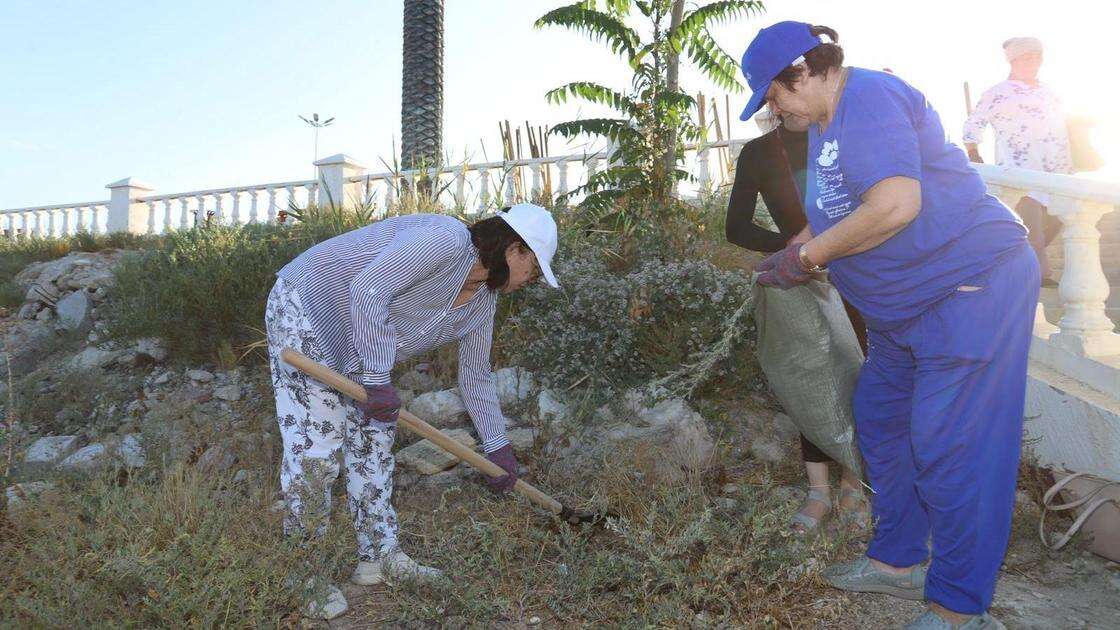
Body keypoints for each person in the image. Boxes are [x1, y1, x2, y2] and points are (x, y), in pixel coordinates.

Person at [740, 21, 1039, 630]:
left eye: (773, 95)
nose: (773, 110)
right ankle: (899, 562)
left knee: (952, 447)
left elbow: (897, 204)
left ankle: (958, 607)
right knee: (880, 419)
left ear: (803, 71)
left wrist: (807, 259)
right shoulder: (825, 125)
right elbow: (842, 213)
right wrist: (793, 252)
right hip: (905, 312)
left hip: (968, 288)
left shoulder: (868, 97)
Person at [266, 204, 560, 619]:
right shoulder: (445, 239)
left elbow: (475, 376)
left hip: (357, 350)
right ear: (516, 250)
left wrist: (498, 448)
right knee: (317, 448)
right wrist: (377, 377)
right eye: (534, 269)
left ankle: (380, 557)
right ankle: (303, 572)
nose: (530, 281)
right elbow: (368, 290)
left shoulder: (480, 306)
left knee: (374, 445)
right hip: (307, 311)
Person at [725, 105, 870, 534]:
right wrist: (791, 248)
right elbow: (735, 228)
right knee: (810, 376)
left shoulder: (843, 134)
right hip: (805, 277)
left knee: (860, 373)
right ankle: (818, 490)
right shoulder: (758, 153)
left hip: (863, 271)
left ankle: (854, 484)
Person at [962, 37, 1072, 287]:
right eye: (1027, 57)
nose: (1034, 62)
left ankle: (1015, 261)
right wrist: (973, 152)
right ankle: (1039, 274)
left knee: (1060, 219)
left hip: (1057, 171)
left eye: (1038, 57)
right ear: (1013, 60)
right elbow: (974, 123)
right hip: (1019, 168)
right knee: (1030, 223)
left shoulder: (1050, 92)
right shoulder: (998, 93)